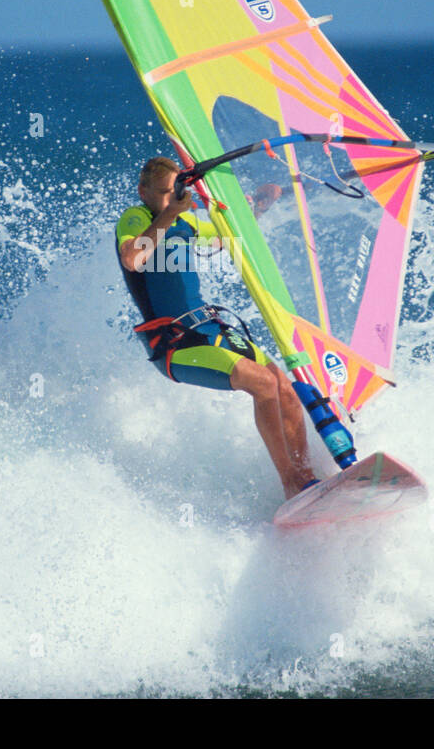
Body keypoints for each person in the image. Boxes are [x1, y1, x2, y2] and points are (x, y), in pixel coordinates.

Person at [115, 156, 315, 498]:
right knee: (263, 384)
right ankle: (291, 486)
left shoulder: (186, 222)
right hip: (174, 345)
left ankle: (309, 479)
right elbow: (132, 258)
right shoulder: (136, 218)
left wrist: (264, 201)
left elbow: (228, 233)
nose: (170, 199)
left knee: (284, 386)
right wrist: (170, 213)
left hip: (209, 328)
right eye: (163, 193)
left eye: (175, 191)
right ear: (142, 191)